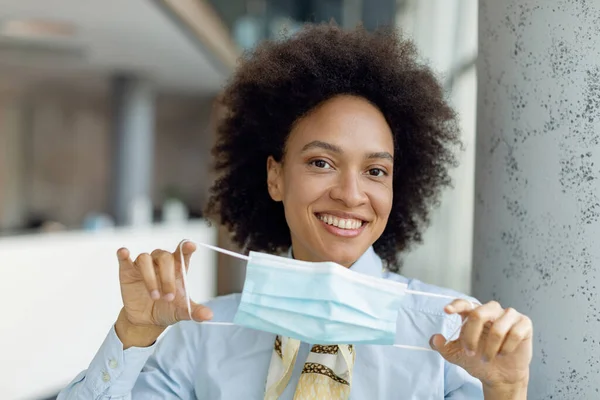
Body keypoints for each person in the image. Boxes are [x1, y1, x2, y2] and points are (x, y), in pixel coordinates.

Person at [58, 23, 532, 399]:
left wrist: (506, 392)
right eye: (321, 162)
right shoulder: (199, 335)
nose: (351, 195)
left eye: (375, 171)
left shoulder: (452, 334)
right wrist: (133, 333)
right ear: (275, 176)